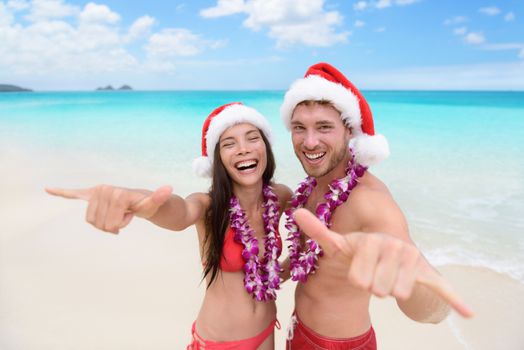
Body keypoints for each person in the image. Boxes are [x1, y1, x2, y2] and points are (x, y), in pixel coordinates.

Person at [46, 102, 293, 350]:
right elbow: (180, 212)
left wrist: (283, 270)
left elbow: (309, 233)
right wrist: (138, 200)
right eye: (229, 143)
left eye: (252, 138)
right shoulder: (208, 206)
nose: (243, 149)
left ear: (266, 147)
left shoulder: (280, 197)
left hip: (267, 333)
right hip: (220, 343)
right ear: (217, 160)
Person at [279, 63, 474, 349]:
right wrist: (278, 270)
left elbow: (430, 312)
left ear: (349, 131)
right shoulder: (316, 183)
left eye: (324, 127)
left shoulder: (370, 203)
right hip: (299, 331)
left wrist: (408, 270)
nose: (309, 142)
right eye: (299, 128)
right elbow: (317, 262)